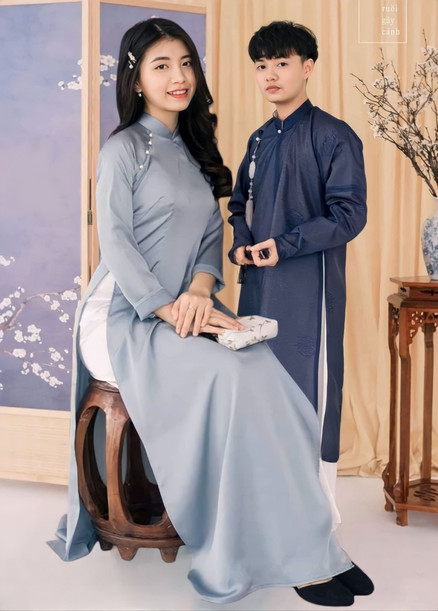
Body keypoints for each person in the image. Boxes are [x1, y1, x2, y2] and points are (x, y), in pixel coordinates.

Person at [49, 18, 373, 607]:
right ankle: (278, 558)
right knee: (233, 377)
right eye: (161, 66)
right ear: (137, 80)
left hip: (188, 306)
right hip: (125, 313)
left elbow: (208, 240)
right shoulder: (123, 149)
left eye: (186, 63)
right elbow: (115, 242)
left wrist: (200, 292)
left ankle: (312, 545)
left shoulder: (197, 152)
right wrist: (167, 307)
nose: (178, 77)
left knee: (267, 374)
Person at [228, 21, 367, 517]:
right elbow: (239, 205)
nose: (270, 75)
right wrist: (241, 245)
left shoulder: (334, 136)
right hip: (257, 286)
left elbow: (349, 215)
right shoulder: (259, 140)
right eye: (261, 66)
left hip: (309, 290)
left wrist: (285, 246)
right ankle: (262, 512)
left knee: (308, 389)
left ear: (307, 68)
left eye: (281, 63)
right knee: (256, 388)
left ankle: (315, 516)